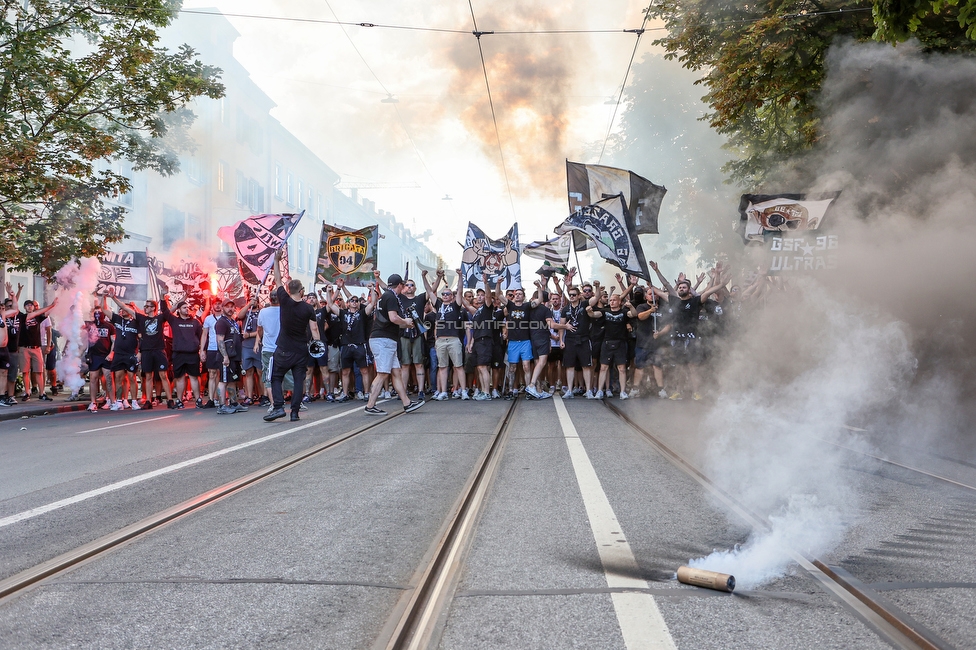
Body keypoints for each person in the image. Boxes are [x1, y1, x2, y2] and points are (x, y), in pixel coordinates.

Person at [265, 249, 322, 422]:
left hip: (283, 349)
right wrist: (318, 347)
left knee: (275, 376)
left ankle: (278, 407)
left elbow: (277, 279)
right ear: (302, 291)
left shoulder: (284, 300)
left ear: (289, 290)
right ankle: (295, 412)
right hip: (300, 350)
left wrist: (276, 260)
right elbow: (314, 330)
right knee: (299, 381)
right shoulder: (308, 308)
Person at [364, 274, 425, 415]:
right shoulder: (391, 297)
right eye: (403, 286)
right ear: (399, 285)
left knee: (396, 372)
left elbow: (388, 318)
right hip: (383, 340)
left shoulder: (385, 296)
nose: (404, 288)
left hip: (386, 339)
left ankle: (407, 403)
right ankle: (370, 405)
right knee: (383, 373)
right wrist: (406, 322)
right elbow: (393, 317)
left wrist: (403, 324)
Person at [325, 278, 373, 402]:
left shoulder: (362, 313)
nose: (355, 302)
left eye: (356, 301)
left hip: (359, 344)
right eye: (352, 300)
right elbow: (330, 305)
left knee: (364, 370)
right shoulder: (343, 313)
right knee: (345, 371)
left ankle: (366, 392)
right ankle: (345, 393)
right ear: (348, 302)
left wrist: (372, 289)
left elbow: (372, 304)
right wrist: (329, 291)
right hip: (346, 345)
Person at [424, 269, 467, 400]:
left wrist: (460, 276)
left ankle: (463, 390)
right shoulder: (438, 305)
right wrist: (424, 277)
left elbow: (460, 290)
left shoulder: (455, 306)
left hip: (453, 339)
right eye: (444, 294)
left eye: (448, 294)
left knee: (458, 366)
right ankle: (443, 392)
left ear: (452, 296)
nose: (445, 295)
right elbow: (429, 291)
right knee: (442, 367)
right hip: (441, 341)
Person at [160, 296, 205, 409]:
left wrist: (202, 350)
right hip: (178, 353)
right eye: (184, 307)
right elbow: (165, 311)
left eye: (188, 307)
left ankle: (198, 400)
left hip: (192, 354)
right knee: (179, 377)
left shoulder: (195, 322)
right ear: (178, 310)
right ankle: (179, 401)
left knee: (194, 377)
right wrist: (162, 297)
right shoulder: (174, 320)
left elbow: (202, 337)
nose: (187, 309)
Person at [104, 291, 141, 410]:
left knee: (132, 377)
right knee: (118, 377)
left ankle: (134, 401)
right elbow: (105, 310)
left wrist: (139, 352)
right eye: (122, 309)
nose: (123, 310)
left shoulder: (136, 322)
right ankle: (119, 401)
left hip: (130, 354)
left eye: (126, 309)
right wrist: (104, 297)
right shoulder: (117, 319)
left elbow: (141, 339)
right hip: (119, 353)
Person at [215, 298, 248, 414]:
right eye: (227, 306)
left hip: (235, 356)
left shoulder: (233, 322)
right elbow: (220, 340)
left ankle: (234, 403)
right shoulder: (221, 322)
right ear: (223, 308)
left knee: (232, 380)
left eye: (232, 306)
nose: (230, 309)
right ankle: (221, 406)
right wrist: (225, 356)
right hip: (227, 357)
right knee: (223, 381)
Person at [398, 276, 429, 400]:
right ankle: (403, 391)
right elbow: (387, 289)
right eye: (407, 285)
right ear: (403, 287)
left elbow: (431, 290)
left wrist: (424, 277)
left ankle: (421, 390)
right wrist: (377, 279)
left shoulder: (420, 299)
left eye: (412, 285)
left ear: (415, 288)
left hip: (417, 334)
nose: (409, 287)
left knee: (419, 363)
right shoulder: (399, 298)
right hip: (404, 334)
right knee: (405, 364)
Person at [85, 301, 116, 413]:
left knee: (108, 378)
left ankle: (113, 401)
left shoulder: (110, 326)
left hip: (106, 355)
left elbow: (114, 341)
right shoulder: (89, 325)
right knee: (93, 378)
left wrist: (111, 353)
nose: (98, 314)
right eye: (96, 312)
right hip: (94, 355)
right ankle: (93, 403)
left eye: (100, 312)